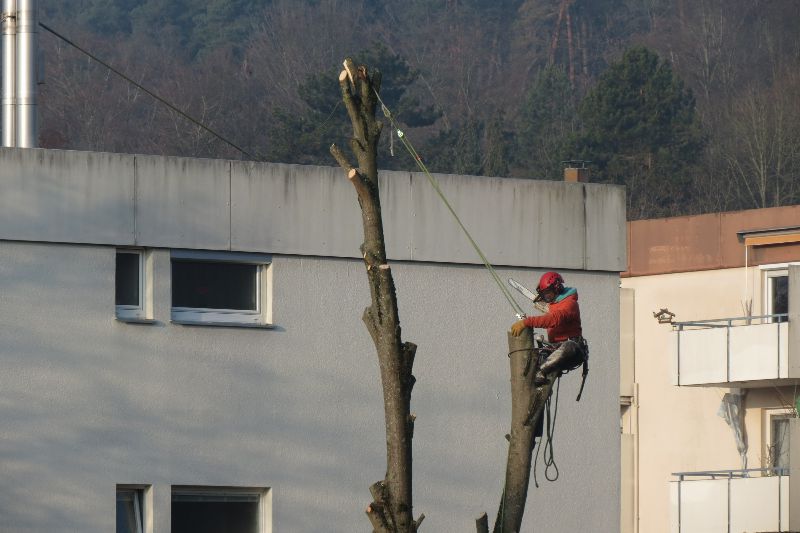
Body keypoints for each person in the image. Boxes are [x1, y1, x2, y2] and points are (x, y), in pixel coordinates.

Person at [510, 271, 586, 386]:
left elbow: (554, 319)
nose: (546, 298)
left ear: (557, 288)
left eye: (548, 294)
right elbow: (551, 311)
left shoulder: (570, 304)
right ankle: (533, 380)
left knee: (568, 346)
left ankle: (541, 371)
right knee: (539, 354)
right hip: (555, 348)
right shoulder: (554, 304)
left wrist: (527, 322)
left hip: (572, 350)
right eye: (544, 295)